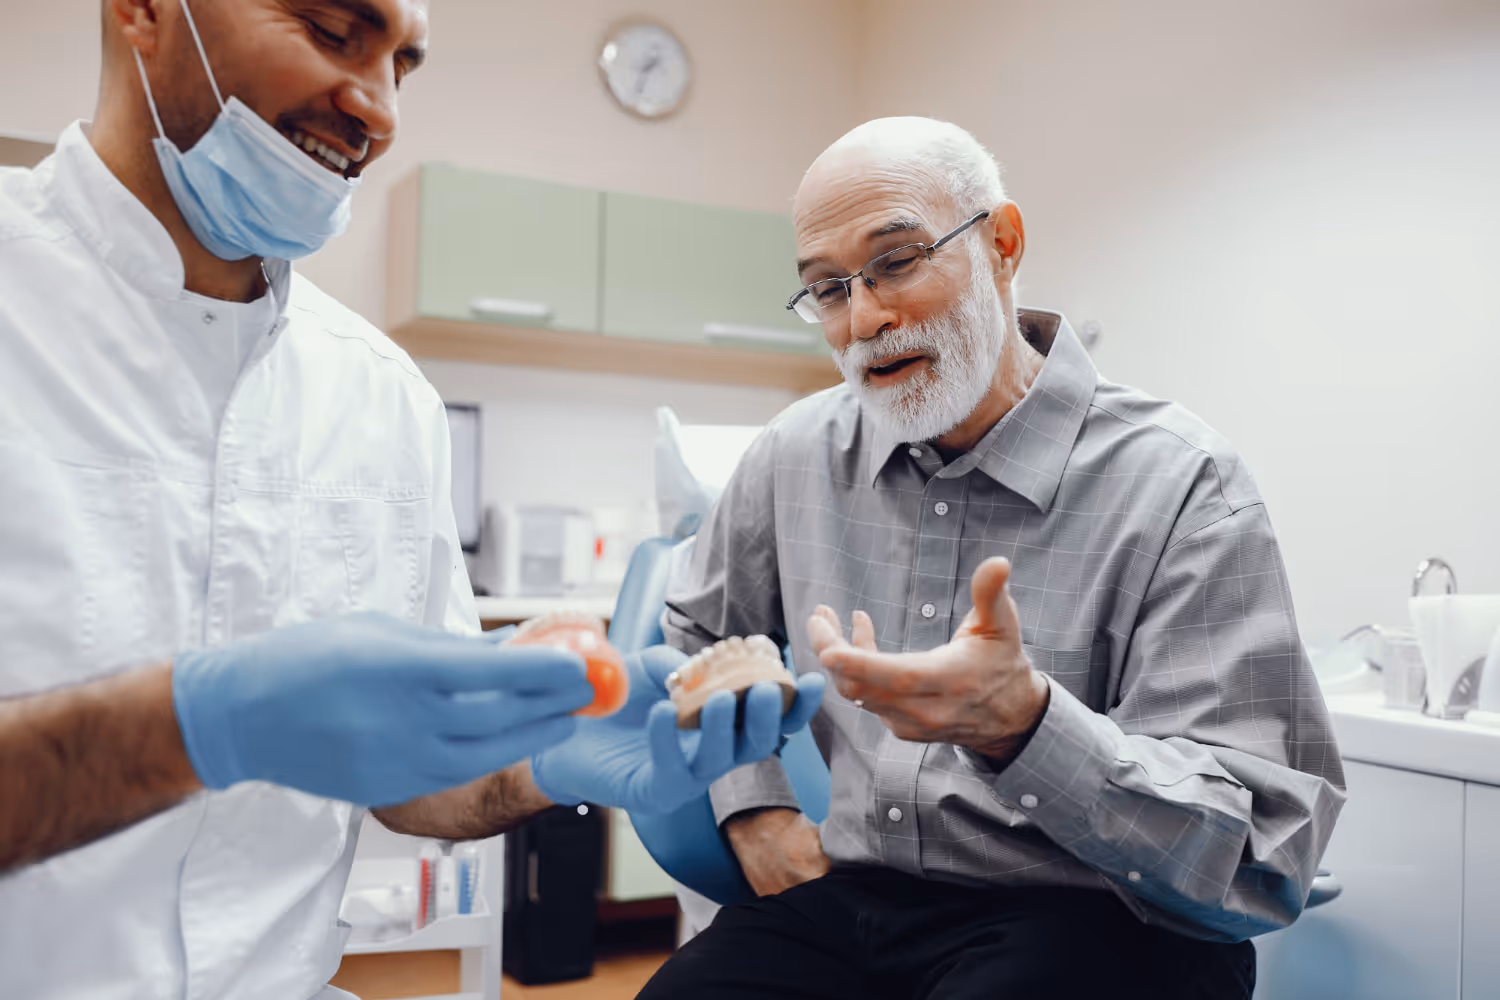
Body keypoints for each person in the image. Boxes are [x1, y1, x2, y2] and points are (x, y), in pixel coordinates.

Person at [0, 1, 821, 997]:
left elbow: (415, 787)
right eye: (331, 29)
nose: (379, 110)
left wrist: (538, 759)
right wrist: (190, 725)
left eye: (406, 64)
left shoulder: (381, 395)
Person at [644, 117, 1346, 999]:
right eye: (827, 289)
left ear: (1002, 246)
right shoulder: (796, 453)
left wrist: (1028, 726)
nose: (864, 318)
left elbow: (1262, 855)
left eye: (896, 262)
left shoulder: (1182, 484)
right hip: (858, 901)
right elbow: (697, 629)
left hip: (1100, 914)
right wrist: (756, 807)